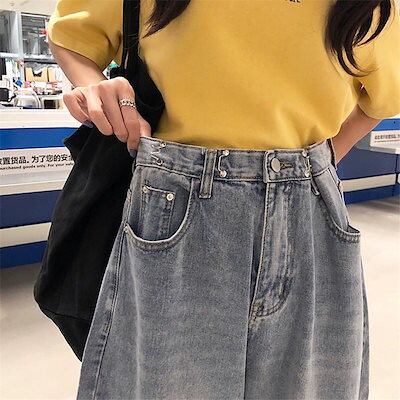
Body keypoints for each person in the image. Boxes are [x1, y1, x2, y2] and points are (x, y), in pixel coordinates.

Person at [48, 0, 400, 398]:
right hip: (177, 203)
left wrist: (323, 161)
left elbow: (384, 96)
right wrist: (92, 87)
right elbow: (70, 36)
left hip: (307, 207)